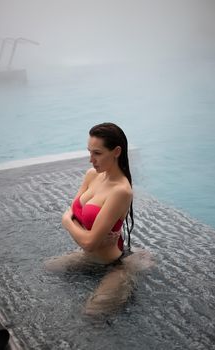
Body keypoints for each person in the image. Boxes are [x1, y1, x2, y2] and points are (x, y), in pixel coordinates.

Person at [44, 122, 154, 315]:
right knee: (47, 268)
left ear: (116, 152)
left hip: (114, 264)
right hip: (88, 257)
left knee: (92, 314)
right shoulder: (92, 175)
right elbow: (75, 212)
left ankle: (131, 270)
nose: (91, 160)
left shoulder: (121, 191)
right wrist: (88, 234)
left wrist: (67, 223)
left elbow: (86, 239)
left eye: (97, 153)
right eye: (89, 152)